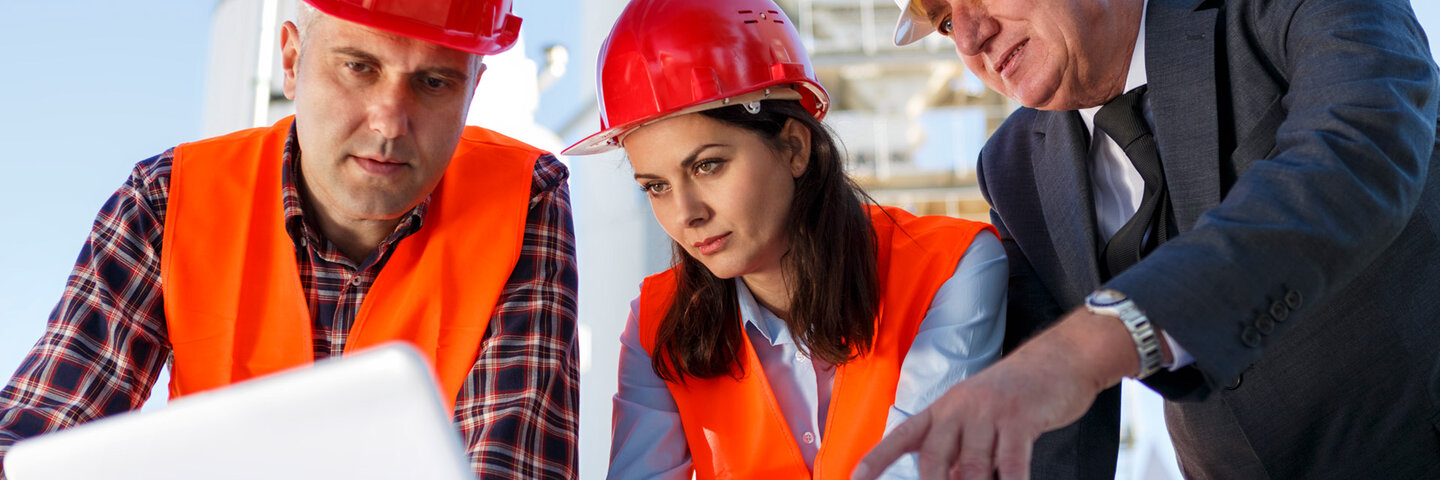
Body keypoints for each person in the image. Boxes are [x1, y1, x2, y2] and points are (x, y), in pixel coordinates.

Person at [852, 0, 1440, 478]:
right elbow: (1055, 435)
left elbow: (1356, 148)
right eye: (947, 21)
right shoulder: (1012, 168)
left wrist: (1098, 340)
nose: (971, 39)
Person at [0, 1, 579, 478]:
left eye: (433, 82)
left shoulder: (522, 200)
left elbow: (511, 463)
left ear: (472, 91)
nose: (389, 121)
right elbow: (40, 431)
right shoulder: (168, 198)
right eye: (359, 67)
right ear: (293, 60)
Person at [562, 0, 1008, 478]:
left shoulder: (951, 267)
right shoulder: (657, 324)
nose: (685, 214)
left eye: (708, 165)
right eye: (657, 186)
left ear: (795, 147)